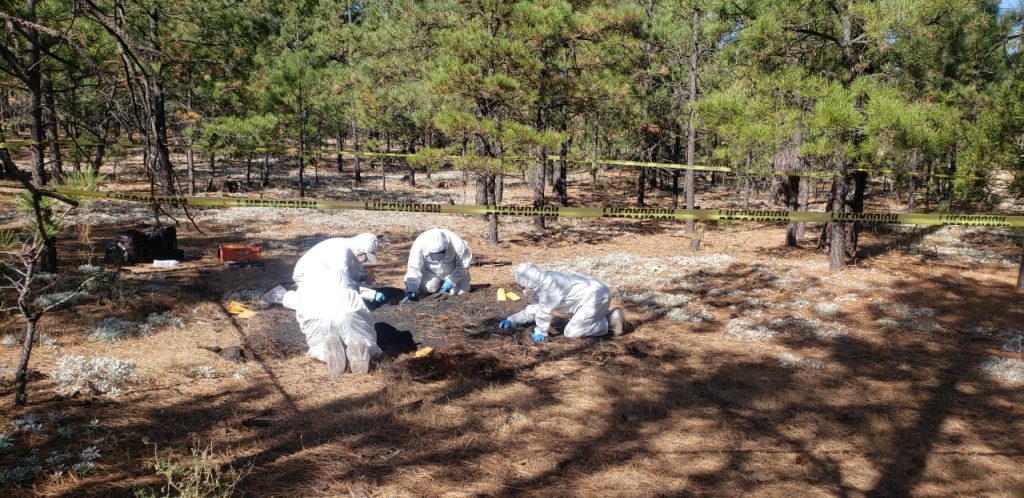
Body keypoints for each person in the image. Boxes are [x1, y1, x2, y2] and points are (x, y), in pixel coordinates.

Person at [498, 263, 628, 343]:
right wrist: (513, 319)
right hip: (591, 295)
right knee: (577, 325)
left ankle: (611, 322)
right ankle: (598, 317)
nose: (520, 287)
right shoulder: (540, 282)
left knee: (572, 332)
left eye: (522, 284)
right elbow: (536, 308)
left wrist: (541, 331)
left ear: (529, 281)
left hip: (596, 297)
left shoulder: (550, 286)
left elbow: (543, 312)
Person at [290, 273, 381, 374]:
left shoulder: (304, 284)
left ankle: (326, 351)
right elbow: (355, 288)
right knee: (365, 338)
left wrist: (271, 298)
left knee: (317, 345)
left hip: (317, 316)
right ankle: (361, 347)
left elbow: (289, 299)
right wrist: (372, 294)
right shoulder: (340, 272)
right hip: (347, 310)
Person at [286, 232, 386, 306]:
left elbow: (346, 272)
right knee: (327, 304)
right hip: (307, 275)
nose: (366, 260)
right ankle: (286, 297)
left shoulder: (351, 250)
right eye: (366, 256)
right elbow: (343, 284)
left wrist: (359, 277)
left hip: (323, 273)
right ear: (360, 251)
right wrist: (371, 294)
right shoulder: (340, 252)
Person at [402, 228, 473, 301]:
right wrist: (411, 289)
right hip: (432, 272)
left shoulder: (458, 244)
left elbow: (464, 266)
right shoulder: (419, 244)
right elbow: (414, 267)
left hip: (453, 270)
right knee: (426, 288)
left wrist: (452, 280)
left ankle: (446, 285)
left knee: (462, 291)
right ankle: (438, 285)